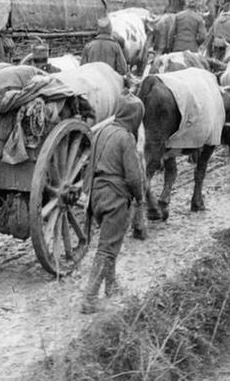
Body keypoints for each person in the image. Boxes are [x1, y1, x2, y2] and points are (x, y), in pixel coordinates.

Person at [80, 94, 145, 314]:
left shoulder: (101, 132)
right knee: (107, 248)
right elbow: (134, 177)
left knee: (110, 241)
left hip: (95, 196)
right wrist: (140, 198)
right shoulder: (126, 138)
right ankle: (89, 298)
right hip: (114, 198)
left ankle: (111, 285)